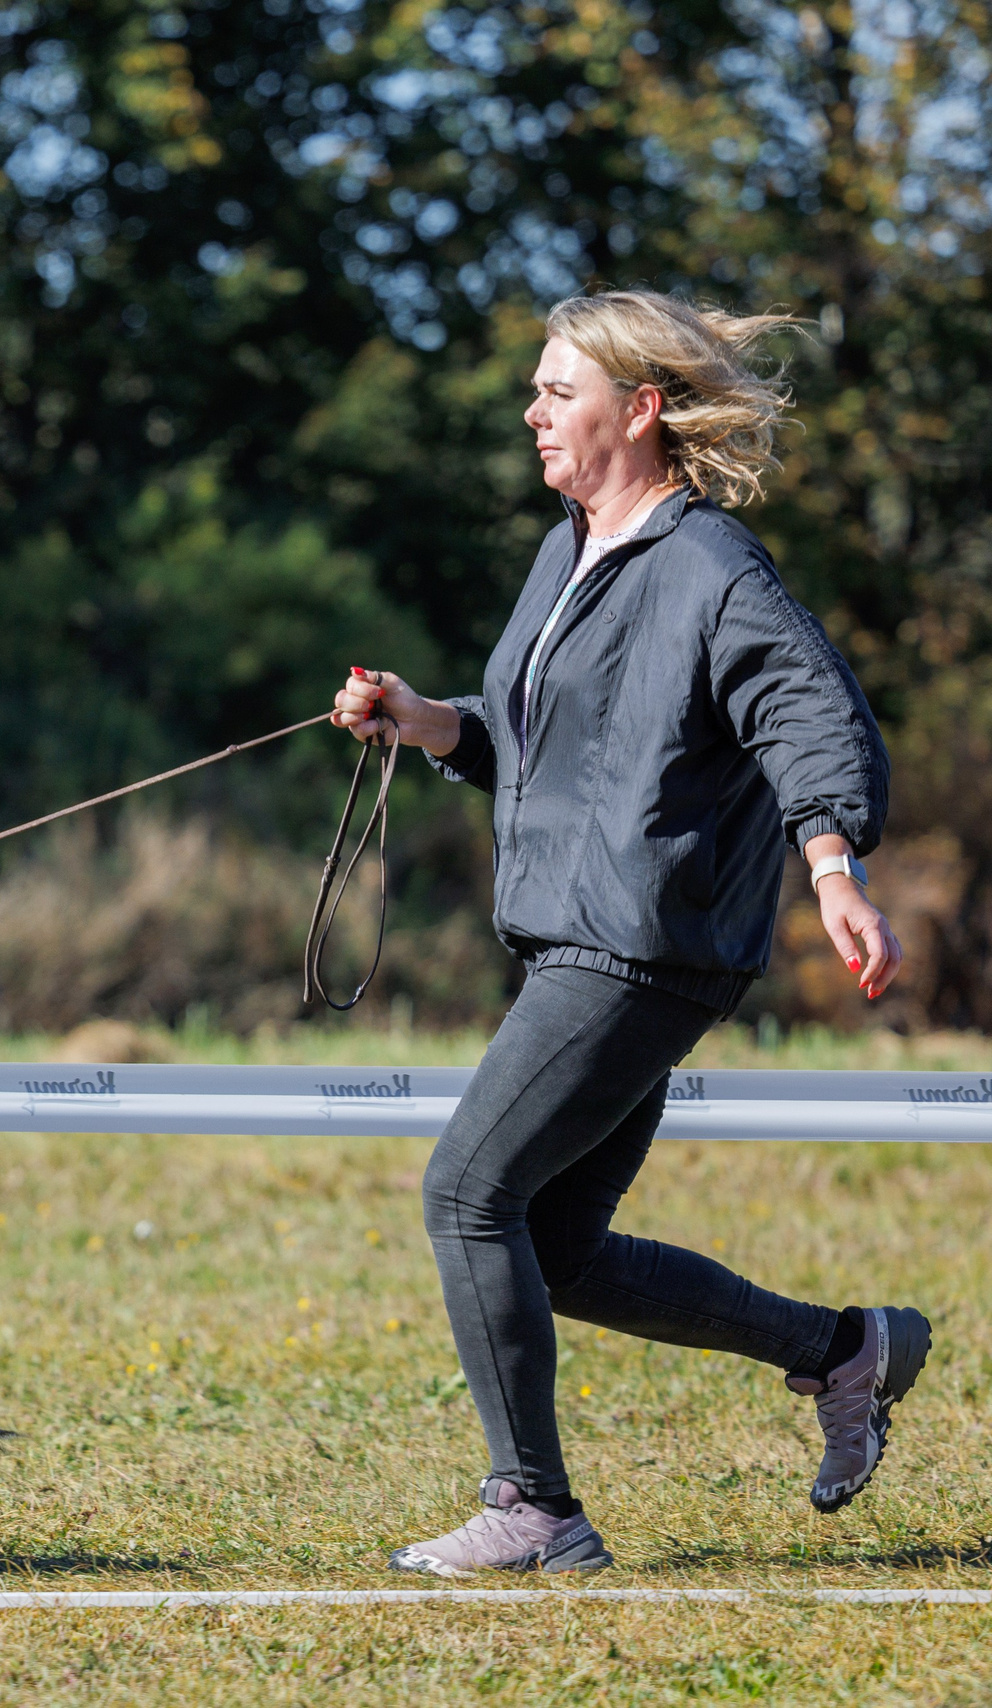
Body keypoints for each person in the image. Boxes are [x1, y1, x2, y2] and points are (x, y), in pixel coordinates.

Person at [332, 289, 925, 1577]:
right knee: (557, 1245)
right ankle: (842, 1350)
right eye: (537, 390)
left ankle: (532, 1508)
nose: (533, 411)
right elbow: (544, 752)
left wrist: (833, 867)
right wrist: (425, 719)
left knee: (465, 1191)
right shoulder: (570, 552)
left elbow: (812, 722)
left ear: (638, 411)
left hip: (639, 945)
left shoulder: (711, 566)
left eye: (558, 390)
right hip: (580, 939)